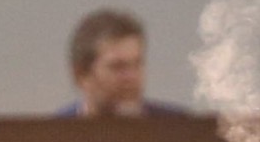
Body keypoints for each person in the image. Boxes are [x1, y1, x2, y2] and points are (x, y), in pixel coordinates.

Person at [57, 9, 186, 118]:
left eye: (137, 64)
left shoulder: (178, 129)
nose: (131, 77)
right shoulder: (55, 134)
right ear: (81, 75)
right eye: (117, 67)